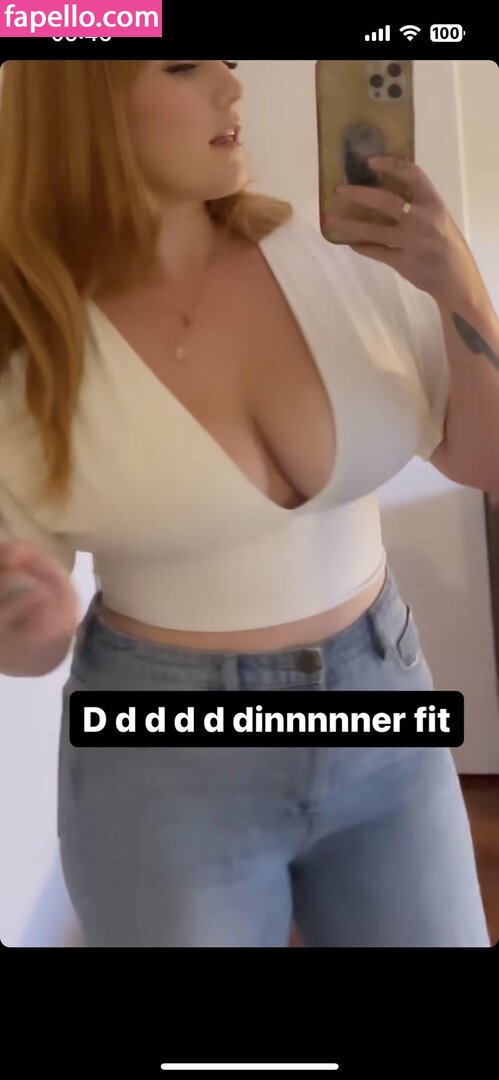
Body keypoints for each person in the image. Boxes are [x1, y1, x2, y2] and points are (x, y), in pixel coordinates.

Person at [0, 60, 497, 948]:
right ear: (82, 95)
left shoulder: (331, 252)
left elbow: (485, 459)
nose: (233, 89)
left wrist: (458, 283)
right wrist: (28, 616)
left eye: (227, 62)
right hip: (162, 753)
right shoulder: (29, 335)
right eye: (185, 66)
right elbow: (26, 650)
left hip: (381, 701)